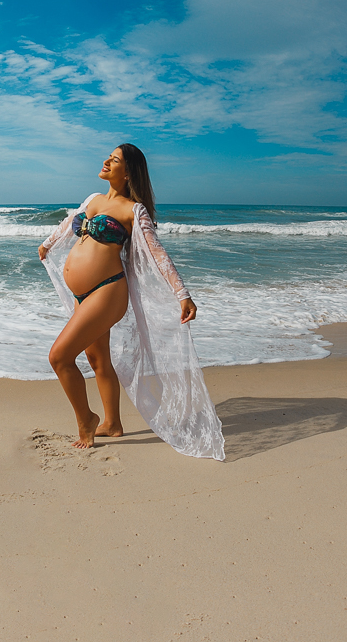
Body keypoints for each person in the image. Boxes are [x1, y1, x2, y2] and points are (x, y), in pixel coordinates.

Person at [38, 144, 225, 461]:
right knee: (98, 362)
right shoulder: (93, 200)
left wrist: (183, 294)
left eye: (114, 160)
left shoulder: (133, 210)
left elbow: (157, 253)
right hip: (83, 295)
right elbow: (69, 223)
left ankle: (87, 420)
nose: (106, 161)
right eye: (108, 157)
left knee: (59, 357)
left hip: (107, 291)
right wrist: (47, 244)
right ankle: (112, 424)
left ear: (128, 172)